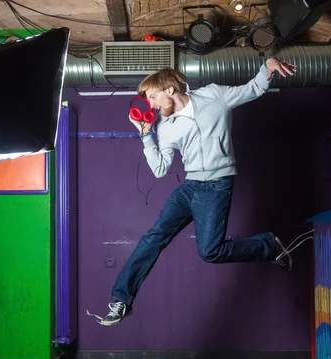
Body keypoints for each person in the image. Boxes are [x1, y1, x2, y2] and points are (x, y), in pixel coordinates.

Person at [88, 57, 297, 326]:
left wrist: (265, 68)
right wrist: (145, 135)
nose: (149, 103)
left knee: (210, 252)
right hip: (190, 188)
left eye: (152, 96)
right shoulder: (165, 127)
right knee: (154, 237)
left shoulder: (213, 95)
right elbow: (160, 169)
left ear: (170, 90)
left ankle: (268, 246)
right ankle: (121, 301)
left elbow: (252, 89)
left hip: (217, 186)